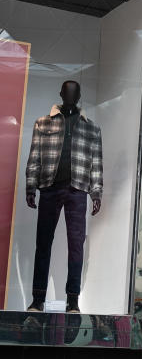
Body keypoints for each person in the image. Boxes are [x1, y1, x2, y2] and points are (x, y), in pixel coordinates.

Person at [26, 80, 103, 313]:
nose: (70, 96)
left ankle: (73, 300)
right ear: (60, 93)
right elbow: (35, 157)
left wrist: (96, 191)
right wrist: (31, 186)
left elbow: (96, 163)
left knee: (76, 246)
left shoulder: (92, 129)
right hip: (49, 187)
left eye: (75, 92)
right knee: (43, 244)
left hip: (77, 190)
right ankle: (38, 299)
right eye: (67, 92)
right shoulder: (42, 123)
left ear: (79, 96)